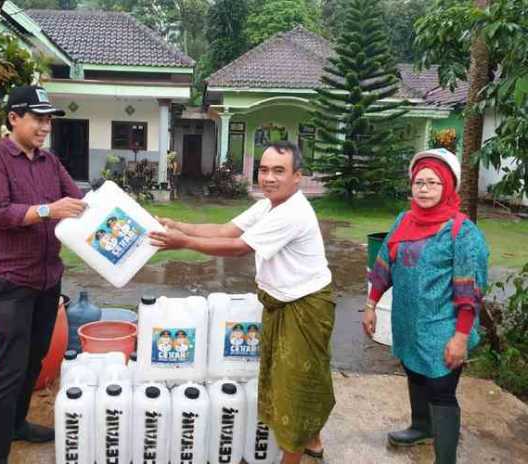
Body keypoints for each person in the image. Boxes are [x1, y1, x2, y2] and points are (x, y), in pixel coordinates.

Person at [150, 141, 335, 463]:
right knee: (301, 375)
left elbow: (238, 247)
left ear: (297, 177)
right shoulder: (269, 205)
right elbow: (226, 229)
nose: (269, 178)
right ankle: (313, 440)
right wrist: (179, 226)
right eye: (264, 170)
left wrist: (184, 243)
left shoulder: (293, 212)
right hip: (282, 302)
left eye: (279, 171)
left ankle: (292, 457)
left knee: (294, 384)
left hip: (305, 305)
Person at [0, 85, 87, 464]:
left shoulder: (49, 162)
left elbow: (76, 202)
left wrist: (113, 212)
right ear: (13, 118)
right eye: (38, 119)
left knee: (35, 359)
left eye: (48, 120)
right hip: (9, 281)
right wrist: (45, 211)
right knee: (8, 369)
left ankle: (18, 424)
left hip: (45, 278)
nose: (45, 127)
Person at [362, 148, 488, 464]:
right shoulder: (404, 220)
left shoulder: (461, 231)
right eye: (419, 182)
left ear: (447, 186)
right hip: (408, 322)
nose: (425, 189)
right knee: (415, 374)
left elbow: (469, 290)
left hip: (444, 326)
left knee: (441, 388)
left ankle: (445, 459)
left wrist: (460, 337)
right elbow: (383, 265)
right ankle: (421, 427)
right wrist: (371, 304)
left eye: (433, 183)